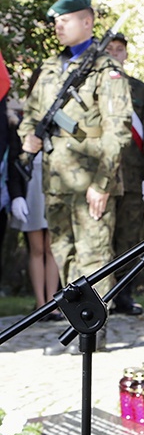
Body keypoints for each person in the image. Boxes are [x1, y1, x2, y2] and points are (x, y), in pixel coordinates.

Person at [19, 0, 133, 354]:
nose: (58, 25)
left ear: (87, 22)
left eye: (65, 19)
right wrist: (29, 137)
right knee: (64, 252)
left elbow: (118, 131)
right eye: (56, 20)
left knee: (93, 256)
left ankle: (92, 333)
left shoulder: (106, 70)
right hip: (56, 181)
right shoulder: (51, 68)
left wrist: (101, 184)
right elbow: (31, 115)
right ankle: (74, 327)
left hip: (91, 182)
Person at [105, 32, 144, 315]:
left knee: (129, 240)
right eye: (110, 50)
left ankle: (123, 295)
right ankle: (102, 295)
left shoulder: (138, 89)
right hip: (103, 178)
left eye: (119, 50)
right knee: (103, 239)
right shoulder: (96, 87)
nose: (115, 54)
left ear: (126, 54)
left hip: (134, 178)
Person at [6, 79, 62, 322]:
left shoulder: (61, 119)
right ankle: (40, 304)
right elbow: (14, 164)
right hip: (31, 190)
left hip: (57, 187)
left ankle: (53, 301)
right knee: (37, 249)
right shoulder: (21, 123)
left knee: (53, 248)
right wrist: (17, 195)